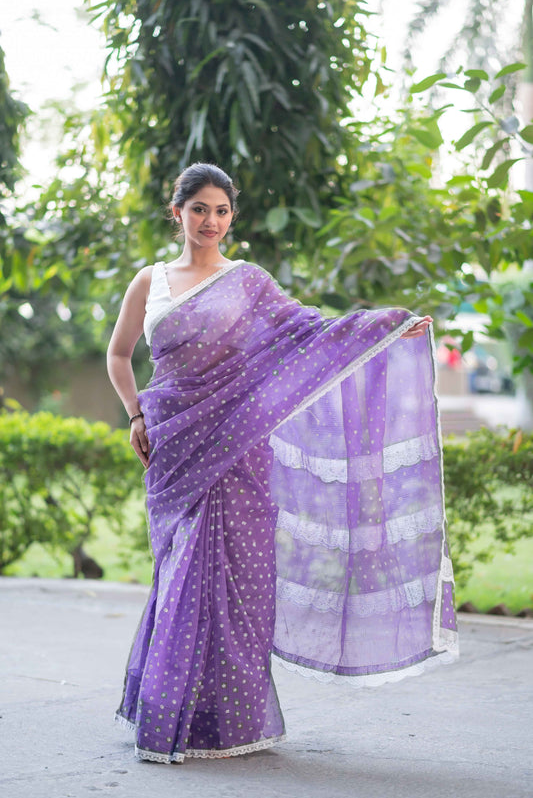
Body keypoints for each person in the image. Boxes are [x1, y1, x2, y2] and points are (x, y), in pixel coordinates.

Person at [107, 162, 458, 764]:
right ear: (177, 212)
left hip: (240, 447)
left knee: (238, 580)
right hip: (174, 441)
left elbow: (309, 330)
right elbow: (119, 354)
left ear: (231, 217)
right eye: (199, 209)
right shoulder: (150, 281)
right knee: (181, 574)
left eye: (221, 211)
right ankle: (170, 715)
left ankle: (229, 722)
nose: (210, 221)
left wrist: (384, 328)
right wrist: (135, 414)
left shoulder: (248, 281)